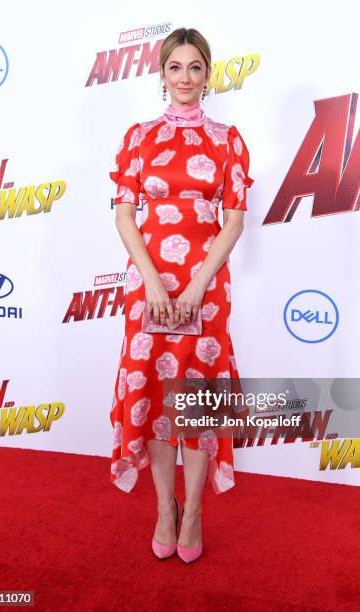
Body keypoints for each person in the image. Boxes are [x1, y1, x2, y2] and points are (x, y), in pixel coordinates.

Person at [109, 27, 254, 563]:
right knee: (152, 397)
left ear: (208, 74)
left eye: (195, 67)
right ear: (162, 74)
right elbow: (125, 216)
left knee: (194, 400)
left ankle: (192, 511)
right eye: (176, 67)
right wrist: (151, 279)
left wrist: (196, 284)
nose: (185, 77)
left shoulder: (227, 139)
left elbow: (233, 222)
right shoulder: (138, 137)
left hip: (206, 286)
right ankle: (164, 510)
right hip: (147, 283)